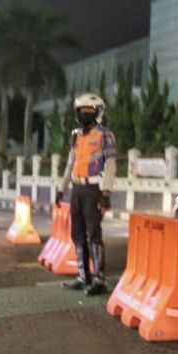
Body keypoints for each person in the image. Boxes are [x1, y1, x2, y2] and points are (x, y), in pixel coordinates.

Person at [56, 93, 117, 296]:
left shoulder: (105, 135)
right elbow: (69, 164)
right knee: (77, 234)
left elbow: (110, 164)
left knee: (94, 235)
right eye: (81, 111)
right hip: (77, 189)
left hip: (93, 190)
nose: (85, 114)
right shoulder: (76, 135)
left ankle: (99, 279)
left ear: (98, 112)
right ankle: (83, 276)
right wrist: (61, 189)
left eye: (89, 111)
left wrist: (106, 192)